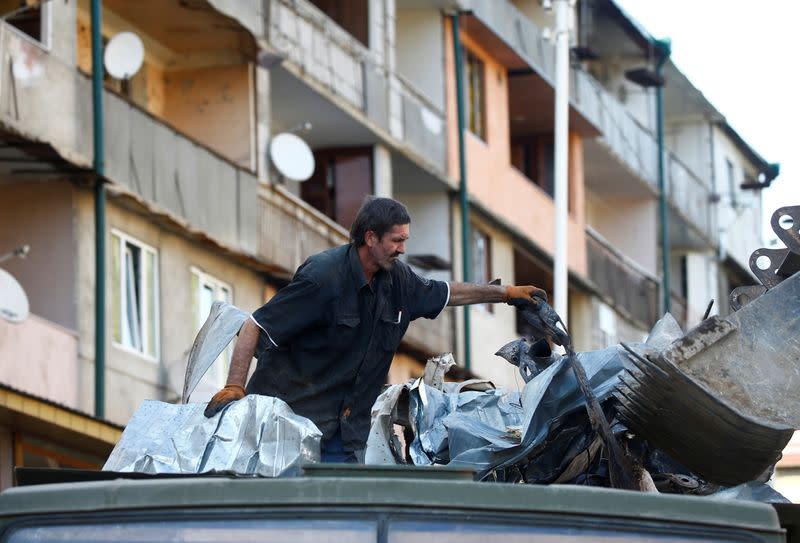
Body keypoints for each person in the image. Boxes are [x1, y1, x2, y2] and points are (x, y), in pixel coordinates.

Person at [204, 197, 546, 462]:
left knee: (343, 527)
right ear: (371, 237)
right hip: (286, 427)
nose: (403, 249)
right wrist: (235, 385)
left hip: (344, 435)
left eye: (405, 240)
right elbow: (254, 325)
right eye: (396, 240)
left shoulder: (398, 282)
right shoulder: (323, 279)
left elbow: (447, 291)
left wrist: (505, 294)